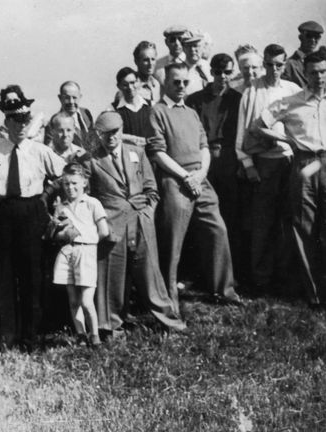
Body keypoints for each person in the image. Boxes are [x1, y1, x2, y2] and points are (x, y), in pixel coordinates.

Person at [0, 85, 65, 349]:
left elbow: (66, 173)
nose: (21, 125)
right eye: (15, 120)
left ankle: (31, 338)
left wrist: (48, 196)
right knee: (4, 276)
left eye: (25, 119)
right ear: (6, 121)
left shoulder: (39, 150)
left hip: (33, 211)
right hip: (3, 214)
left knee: (33, 276)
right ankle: (5, 339)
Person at [81, 112, 187, 338]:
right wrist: (100, 220)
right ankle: (110, 326)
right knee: (112, 278)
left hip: (141, 222)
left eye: (114, 132)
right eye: (104, 134)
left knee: (151, 277)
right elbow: (86, 197)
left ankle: (170, 322)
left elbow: (152, 189)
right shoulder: (90, 160)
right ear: (98, 135)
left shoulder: (136, 153)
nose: (110, 138)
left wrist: (147, 212)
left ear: (121, 130)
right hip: (111, 226)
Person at [148, 62, 243, 312]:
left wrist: (200, 174)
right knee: (173, 241)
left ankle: (224, 290)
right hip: (174, 180)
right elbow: (157, 152)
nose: (181, 87)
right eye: (175, 82)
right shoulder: (157, 111)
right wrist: (185, 177)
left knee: (218, 230)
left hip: (200, 179)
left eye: (184, 82)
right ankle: (169, 298)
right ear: (165, 83)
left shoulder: (190, 111)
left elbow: (204, 146)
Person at [250, 50, 326, 309]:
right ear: (304, 74)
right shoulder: (291, 101)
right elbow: (257, 125)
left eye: (323, 71)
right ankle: (313, 295)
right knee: (304, 227)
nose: (318, 77)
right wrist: (286, 139)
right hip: (306, 164)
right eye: (313, 72)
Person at [235, 43, 301, 295]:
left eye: (279, 65)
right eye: (270, 64)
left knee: (288, 220)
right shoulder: (251, 91)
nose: (274, 70)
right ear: (264, 64)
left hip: (290, 161)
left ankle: (284, 277)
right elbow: (242, 133)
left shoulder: (293, 90)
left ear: (285, 65)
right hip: (263, 162)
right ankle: (260, 280)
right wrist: (249, 165)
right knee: (263, 222)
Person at [186, 53, 244, 283]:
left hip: (229, 160)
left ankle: (230, 273)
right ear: (211, 72)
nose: (223, 77)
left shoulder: (238, 99)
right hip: (204, 160)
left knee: (230, 215)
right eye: (218, 72)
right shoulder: (196, 100)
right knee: (203, 216)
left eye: (228, 72)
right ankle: (200, 271)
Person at [49, 164, 109, 346]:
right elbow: (54, 233)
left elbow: (104, 231)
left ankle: (95, 336)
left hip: (86, 251)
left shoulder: (92, 203)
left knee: (86, 300)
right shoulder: (62, 207)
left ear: (84, 182)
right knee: (73, 299)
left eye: (74, 183)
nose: (70, 188)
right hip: (67, 252)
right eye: (66, 184)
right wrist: (61, 230)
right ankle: (81, 334)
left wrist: (89, 242)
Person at [44, 81, 93, 149]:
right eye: (67, 98)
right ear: (60, 98)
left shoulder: (86, 113)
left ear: (80, 97)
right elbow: (49, 150)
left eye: (74, 97)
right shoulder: (54, 122)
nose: (71, 102)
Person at [112, 67, 152, 141]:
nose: (130, 87)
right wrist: (140, 140)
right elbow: (112, 135)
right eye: (125, 84)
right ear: (119, 86)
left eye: (132, 83)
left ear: (139, 82)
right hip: (127, 151)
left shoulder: (151, 106)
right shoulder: (113, 109)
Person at [116, 41, 162, 105]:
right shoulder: (129, 86)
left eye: (153, 59)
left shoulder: (156, 84)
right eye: (146, 60)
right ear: (136, 61)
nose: (150, 64)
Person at [283, 21, 325, 88]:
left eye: (316, 37)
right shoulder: (288, 64)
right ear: (300, 37)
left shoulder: (323, 64)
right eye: (309, 36)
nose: (313, 40)